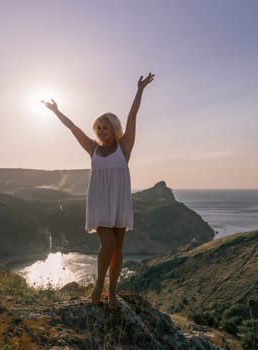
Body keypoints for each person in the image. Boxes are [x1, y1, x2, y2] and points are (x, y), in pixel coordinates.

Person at [42, 73, 155, 309]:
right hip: (100, 201)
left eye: (106, 127)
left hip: (119, 200)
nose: (102, 131)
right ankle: (97, 287)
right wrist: (56, 111)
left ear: (115, 129)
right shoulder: (92, 148)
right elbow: (73, 128)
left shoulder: (124, 147)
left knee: (119, 247)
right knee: (108, 245)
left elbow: (133, 116)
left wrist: (140, 90)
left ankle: (112, 293)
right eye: (99, 128)